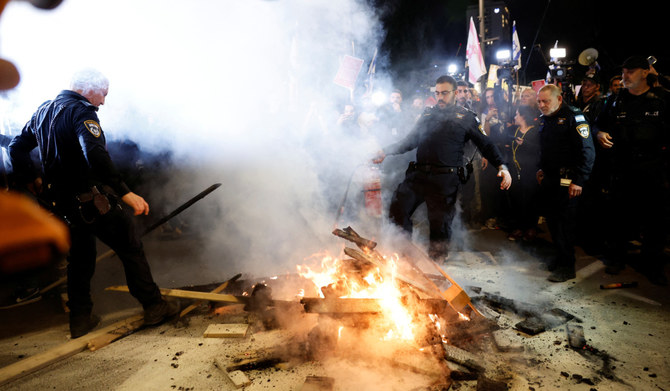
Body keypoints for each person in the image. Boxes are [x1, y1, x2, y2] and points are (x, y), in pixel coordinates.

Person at [9, 68, 179, 338]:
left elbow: (16, 147)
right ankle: (154, 306)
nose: (103, 101)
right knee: (130, 247)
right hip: (89, 201)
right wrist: (125, 193)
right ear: (88, 89)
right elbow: (95, 155)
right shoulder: (82, 112)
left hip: (61, 207)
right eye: (103, 94)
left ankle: (80, 320)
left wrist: (32, 180)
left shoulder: (43, 111)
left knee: (79, 260)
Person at [373, 75, 511, 261]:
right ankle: (403, 257)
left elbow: (486, 144)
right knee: (398, 208)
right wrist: (385, 151)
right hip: (419, 175)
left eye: (444, 93)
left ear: (454, 93)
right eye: (437, 93)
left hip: (445, 181)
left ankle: (437, 266)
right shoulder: (428, 114)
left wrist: (502, 166)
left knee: (439, 227)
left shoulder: (467, 117)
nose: (440, 97)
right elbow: (410, 140)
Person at [594, 56, 670, 286]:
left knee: (654, 220)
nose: (625, 76)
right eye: (624, 71)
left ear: (645, 73)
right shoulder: (617, 100)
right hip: (622, 168)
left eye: (631, 71)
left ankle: (653, 265)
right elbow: (597, 123)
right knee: (619, 217)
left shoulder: (662, 100)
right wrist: (598, 133)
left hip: (652, 168)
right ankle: (617, 259)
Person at [536, 84, 595, 282]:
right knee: (553, 221)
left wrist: (579, 181)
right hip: (551, 179)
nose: (542, 105)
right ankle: (560, 257)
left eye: (546, 101)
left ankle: (568, 266)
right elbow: (547, 149)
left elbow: (587, 152)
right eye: (539, 102)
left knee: (565, 223)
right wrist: (541, 169)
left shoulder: (574, 117)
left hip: (569, 180)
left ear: (559, 99)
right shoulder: (545, 119)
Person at [506, 105, 541, 242]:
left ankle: (531, 228)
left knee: (530, 200)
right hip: (515, 170)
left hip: (530, 171)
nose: (515, 117)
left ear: (523, 116)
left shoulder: (535, 132)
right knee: (516, 199)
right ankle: (519, 227)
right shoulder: (514, 130)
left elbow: (539, 149)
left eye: (517, 114)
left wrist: (525, 144)